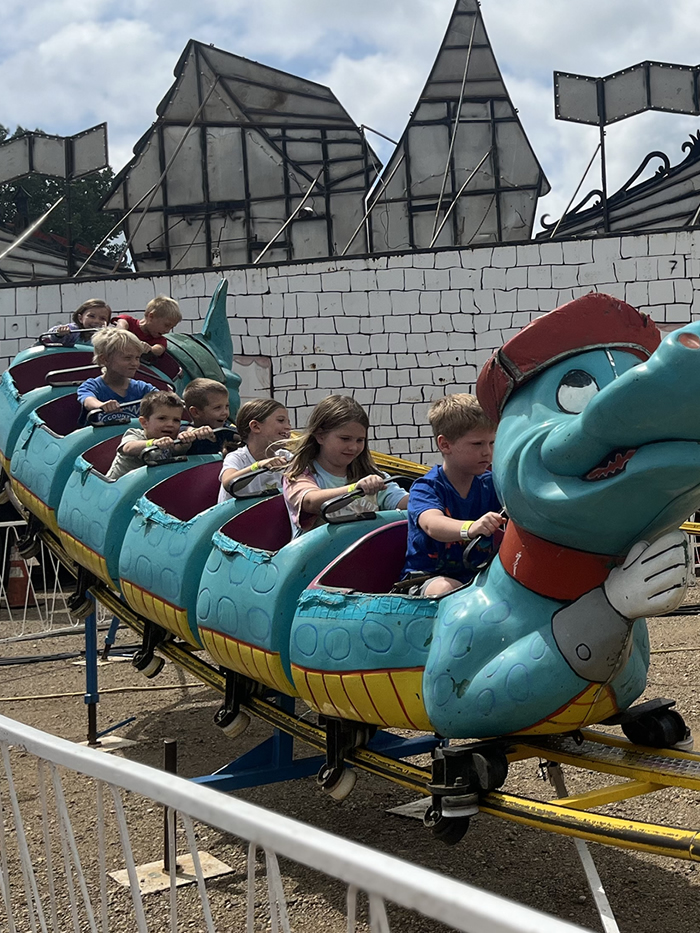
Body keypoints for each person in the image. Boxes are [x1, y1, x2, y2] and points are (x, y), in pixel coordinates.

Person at [401, 394, 504, 597]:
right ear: (445, 445)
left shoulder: (492, 483)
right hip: (427, 580)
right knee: (446, 589)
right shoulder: (426, 488)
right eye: (477, 444)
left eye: (492, 443)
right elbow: (433, 524)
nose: (487, 452)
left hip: (480, 577)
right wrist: (470, 527)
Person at [282, 395, 408, 534]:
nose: (353, 447)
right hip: (317, 554)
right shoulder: (300, 473)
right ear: (320, 436)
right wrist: (355, 490)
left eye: (360, 440)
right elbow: (310, 502)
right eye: (345, 439)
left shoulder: (372, 476)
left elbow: (403, 502)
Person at [106, 390, 214, 481]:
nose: (170, 424)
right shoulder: (135, 434)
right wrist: (153, 443)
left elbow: (177, 449)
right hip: (116, 489)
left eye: (176, 420)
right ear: (144, 422)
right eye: (162, 418)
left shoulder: (171, 440)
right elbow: (128, 447)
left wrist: (185, 442)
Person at [76, 329, 158, 425]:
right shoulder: (92, 385)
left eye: (137, 358)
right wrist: (102, 405)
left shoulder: (142, 388)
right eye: (127, 358)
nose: (135, 363)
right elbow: (88, 400)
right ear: (105, 359)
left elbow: (163, 399)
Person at [218, 399, 291, 503]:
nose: (288, 427)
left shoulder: (286, 457)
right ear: (256, 427)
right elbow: (229, 483)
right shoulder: (237, 458)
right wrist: (257, 466)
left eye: (289, 422)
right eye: (280, 420)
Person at [115, 295, 181, 358]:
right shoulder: (129, 322)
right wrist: (129, 339)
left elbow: (159, 349)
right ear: (151, 317)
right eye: (166, 325)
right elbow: (120, 327)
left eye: (171, 327)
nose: (167, 331)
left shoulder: (160, 340)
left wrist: (150, 349)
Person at [183, 378, 232, 455]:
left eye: (227, 406)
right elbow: (185, 430)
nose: (225, 413)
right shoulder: (184, 430)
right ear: (195, 412)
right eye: (217, 408)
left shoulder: (226, 431)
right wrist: (193, 432)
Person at [42, 299, 111, 347]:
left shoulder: (106, 337)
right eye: (91, 316)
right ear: (80, 318)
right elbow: (53, 336)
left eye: (102, 318)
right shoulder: (74, 331)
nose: (96, 321)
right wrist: (59, 333)